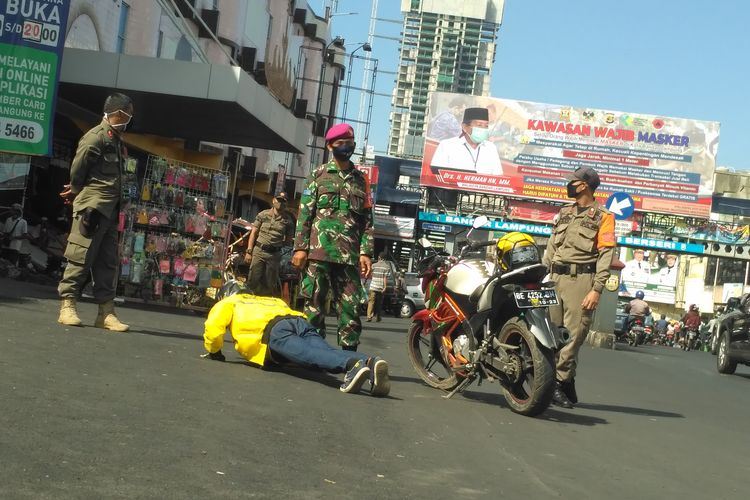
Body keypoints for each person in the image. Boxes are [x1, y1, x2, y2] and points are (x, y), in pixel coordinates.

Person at [201, 285, 390, 396]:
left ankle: (352, 366)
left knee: (312, 355)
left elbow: (214, 328)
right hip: (298, 321)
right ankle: (368, 361)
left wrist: (215, 351)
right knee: (326, 352)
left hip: (273, 332)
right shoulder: (269, 300)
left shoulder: (228, 302)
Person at [292, 123, 374, 351]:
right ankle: (314, 350)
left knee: (351, 308)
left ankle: (349, 357)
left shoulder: (361, 180)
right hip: (318, 253)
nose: (346, 148)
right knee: (314, 305)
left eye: (350, 144)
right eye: (341, 144)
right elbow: (305, 214)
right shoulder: (317, 176)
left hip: (349, 256)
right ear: (330, 146)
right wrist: (300, 248)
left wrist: (366, 252)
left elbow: (367, 219)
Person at [57, 93, 134, 331]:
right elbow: (78, 169)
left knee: (107, 262)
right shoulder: (95, 137)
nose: (131, 118)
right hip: (93, 207)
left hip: (111, 211)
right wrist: (77, 192)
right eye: (129, 113)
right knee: (80, 256)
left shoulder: (117, 140)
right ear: (120, 113)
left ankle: (106, 313)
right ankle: (67, 306)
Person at [542, 166, 615, 409]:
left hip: (580, 281)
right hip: (555, 278)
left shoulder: (603, 217)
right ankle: (561, 380)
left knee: (573, 335)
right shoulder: (564, 212)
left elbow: (606, 254)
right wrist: (543, 274)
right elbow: (552, 247)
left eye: (572, 181)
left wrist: (596, 289)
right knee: (550, 333)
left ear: (583, 185)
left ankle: (558, 383)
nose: (568, 185)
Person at [244, 192, 295, 297]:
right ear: (273, 200)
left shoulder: (288, 221)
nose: (280, 203)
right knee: (252, 281)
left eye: (283, 201)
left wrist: (277, 245)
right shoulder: (263, 214)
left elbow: (288, 241)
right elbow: (253, 233)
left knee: (269, 285)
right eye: (278, 200)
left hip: (274, 255)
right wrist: (249, 251)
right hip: (259, 251)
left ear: (286, 204)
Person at [430, 107, 503, 176]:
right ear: (464, 127)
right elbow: (436, 175)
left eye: (486, 126)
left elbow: (498, 177)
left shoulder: (491, 148)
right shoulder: (447, 146)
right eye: (479, 125)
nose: (483, 129)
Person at [367, 252, 393, 322]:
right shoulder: (387, 267)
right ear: (385, 259)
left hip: (373, 286)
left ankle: (369, 316)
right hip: (380, 287)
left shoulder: (374, 265)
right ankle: (378, 317)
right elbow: (385, 278)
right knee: (379, 303)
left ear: (379, 257)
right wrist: (385, 287)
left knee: (371, 302)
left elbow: (371, 274)